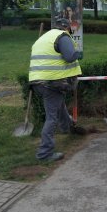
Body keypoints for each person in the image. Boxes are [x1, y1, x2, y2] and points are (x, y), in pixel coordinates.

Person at [29, 18, 81, 161]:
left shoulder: (43, 38)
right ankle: (44, 153)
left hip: (38, 81)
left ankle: (67, 127)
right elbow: (70, 56)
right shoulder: (62, 36)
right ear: (66, 27)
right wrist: (78, 53)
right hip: (51, 82)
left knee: (59, 105)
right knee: (51, 118)